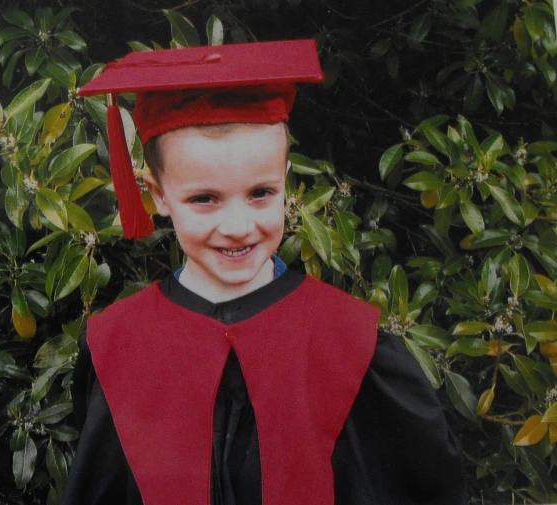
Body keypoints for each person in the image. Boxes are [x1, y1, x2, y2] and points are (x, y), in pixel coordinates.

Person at [62, 40, 468, 505]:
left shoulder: (349, 341)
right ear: (158, 195)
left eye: (261, 193)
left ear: (286, 179)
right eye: (204, 198)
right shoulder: (118, 344)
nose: (238, 228)